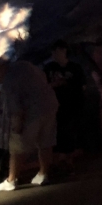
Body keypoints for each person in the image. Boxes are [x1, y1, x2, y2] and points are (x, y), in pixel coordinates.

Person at [0, 58, 59, 190]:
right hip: (49, 106)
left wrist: (16, 126)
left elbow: (16, 107)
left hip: (32, 113)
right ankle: (43, 174)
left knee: (16, 147)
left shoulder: (9, 81)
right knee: (45, 142)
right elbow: (43, 76)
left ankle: (11, 180)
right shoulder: (24, 65)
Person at [43, 41, 85, 170]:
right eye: (53, 52)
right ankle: (55, 163)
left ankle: (68, 161)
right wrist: (54, 85)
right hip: (54, 105)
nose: (54, 54)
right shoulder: (49, 68)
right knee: (56, 134)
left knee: (69, 133)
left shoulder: (75, 67)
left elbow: (82, 85)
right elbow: (43, 86)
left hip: (71, 104)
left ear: (64, 50)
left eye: (56, 51)